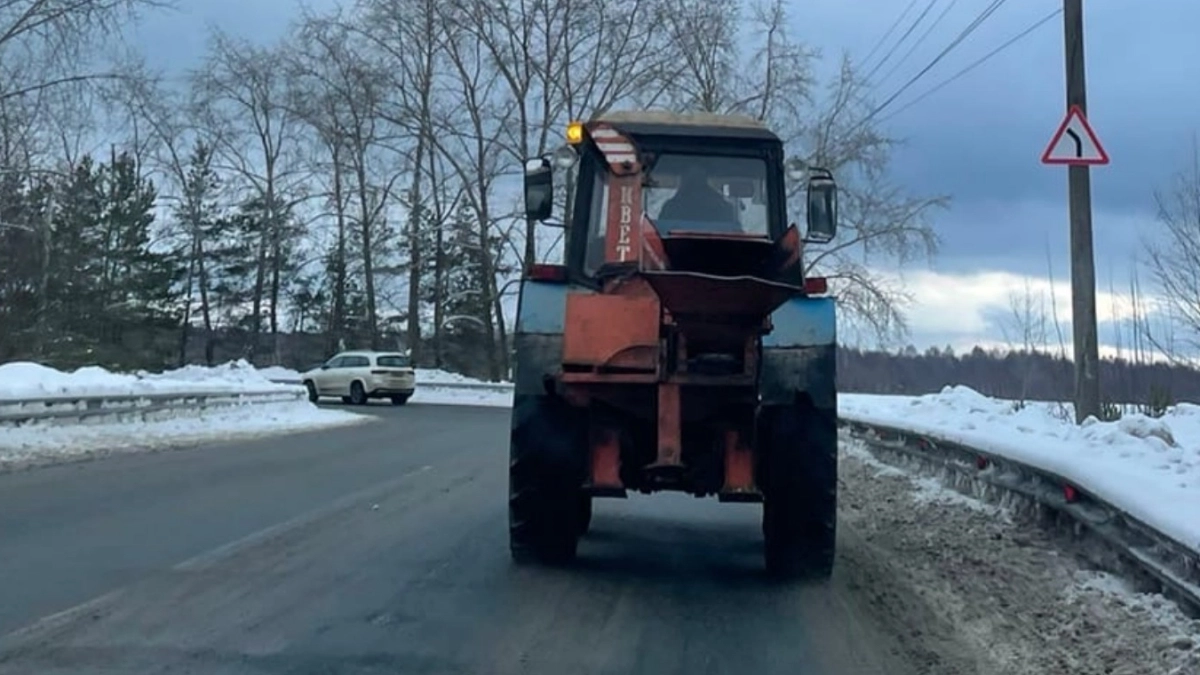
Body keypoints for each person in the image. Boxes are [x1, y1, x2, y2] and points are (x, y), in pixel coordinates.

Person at [657, 162, 737, 226]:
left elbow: (734, 237)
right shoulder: (671, 207)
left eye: (696, 177)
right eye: (691, 177)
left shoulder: (722, 207)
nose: (694, 181)